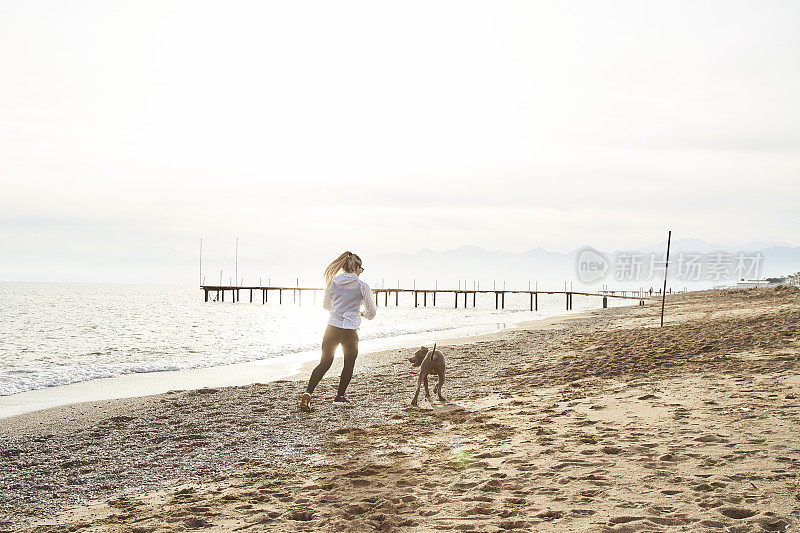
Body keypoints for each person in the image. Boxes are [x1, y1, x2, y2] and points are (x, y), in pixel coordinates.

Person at [300, 251, 376, 412]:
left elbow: (326, 306)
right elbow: (371, 312)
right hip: (349, 331)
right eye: (361, 269)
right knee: (349, 364)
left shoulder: (332, 283)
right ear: (356, 268)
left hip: (332, 328)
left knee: (325, 363)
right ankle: (339, 397)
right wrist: (360, 313)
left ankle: (308, 393)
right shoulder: (363, 287)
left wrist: (339, 309)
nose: (360, 272)